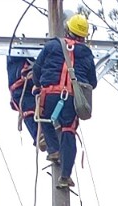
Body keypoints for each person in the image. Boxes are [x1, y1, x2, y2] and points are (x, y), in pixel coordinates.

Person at [33, 13, 97, 189]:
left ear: (68, 29)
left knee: (43, 117)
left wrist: (38, 84)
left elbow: (37, 69)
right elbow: (92, 82)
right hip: (71, 97)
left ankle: (54, 150)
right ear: (84, 35)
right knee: (68, 130)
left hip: (50, 92)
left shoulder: (52, 45)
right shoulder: (86, 52)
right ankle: (65, 176)